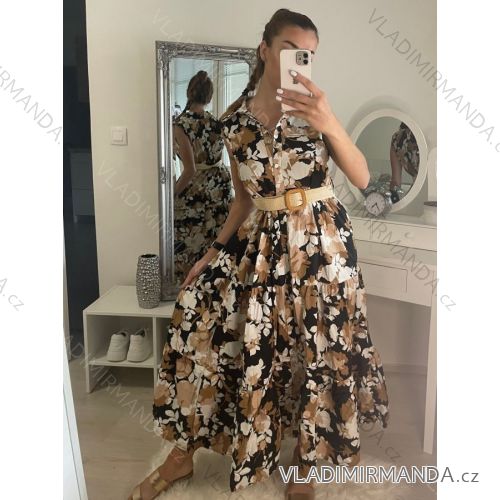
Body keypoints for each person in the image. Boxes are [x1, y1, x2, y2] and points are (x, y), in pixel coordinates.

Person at [128, 8, 389, 500]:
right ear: (265, 49)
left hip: (323, 244)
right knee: (200, 316)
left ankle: (304, 464)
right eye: (290, 48)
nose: (299, 59)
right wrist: (211, 252)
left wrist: (330, 122)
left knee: (316, 351)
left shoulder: (317, 110)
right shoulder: (234, 124)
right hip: (265, 244)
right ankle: (182, 456)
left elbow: (361, 176)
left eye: (308, 53)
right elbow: (243, 201)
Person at [172, 70, 233, 284]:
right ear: (209, 96)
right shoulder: (216, 122)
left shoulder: (180, 125)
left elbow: (190, 170)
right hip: (220, 184)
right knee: (216, 241)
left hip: (197, 188)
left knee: (189, 243)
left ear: (189, 92)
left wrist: (172, 194)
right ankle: (214, 287)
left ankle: (187, 287)